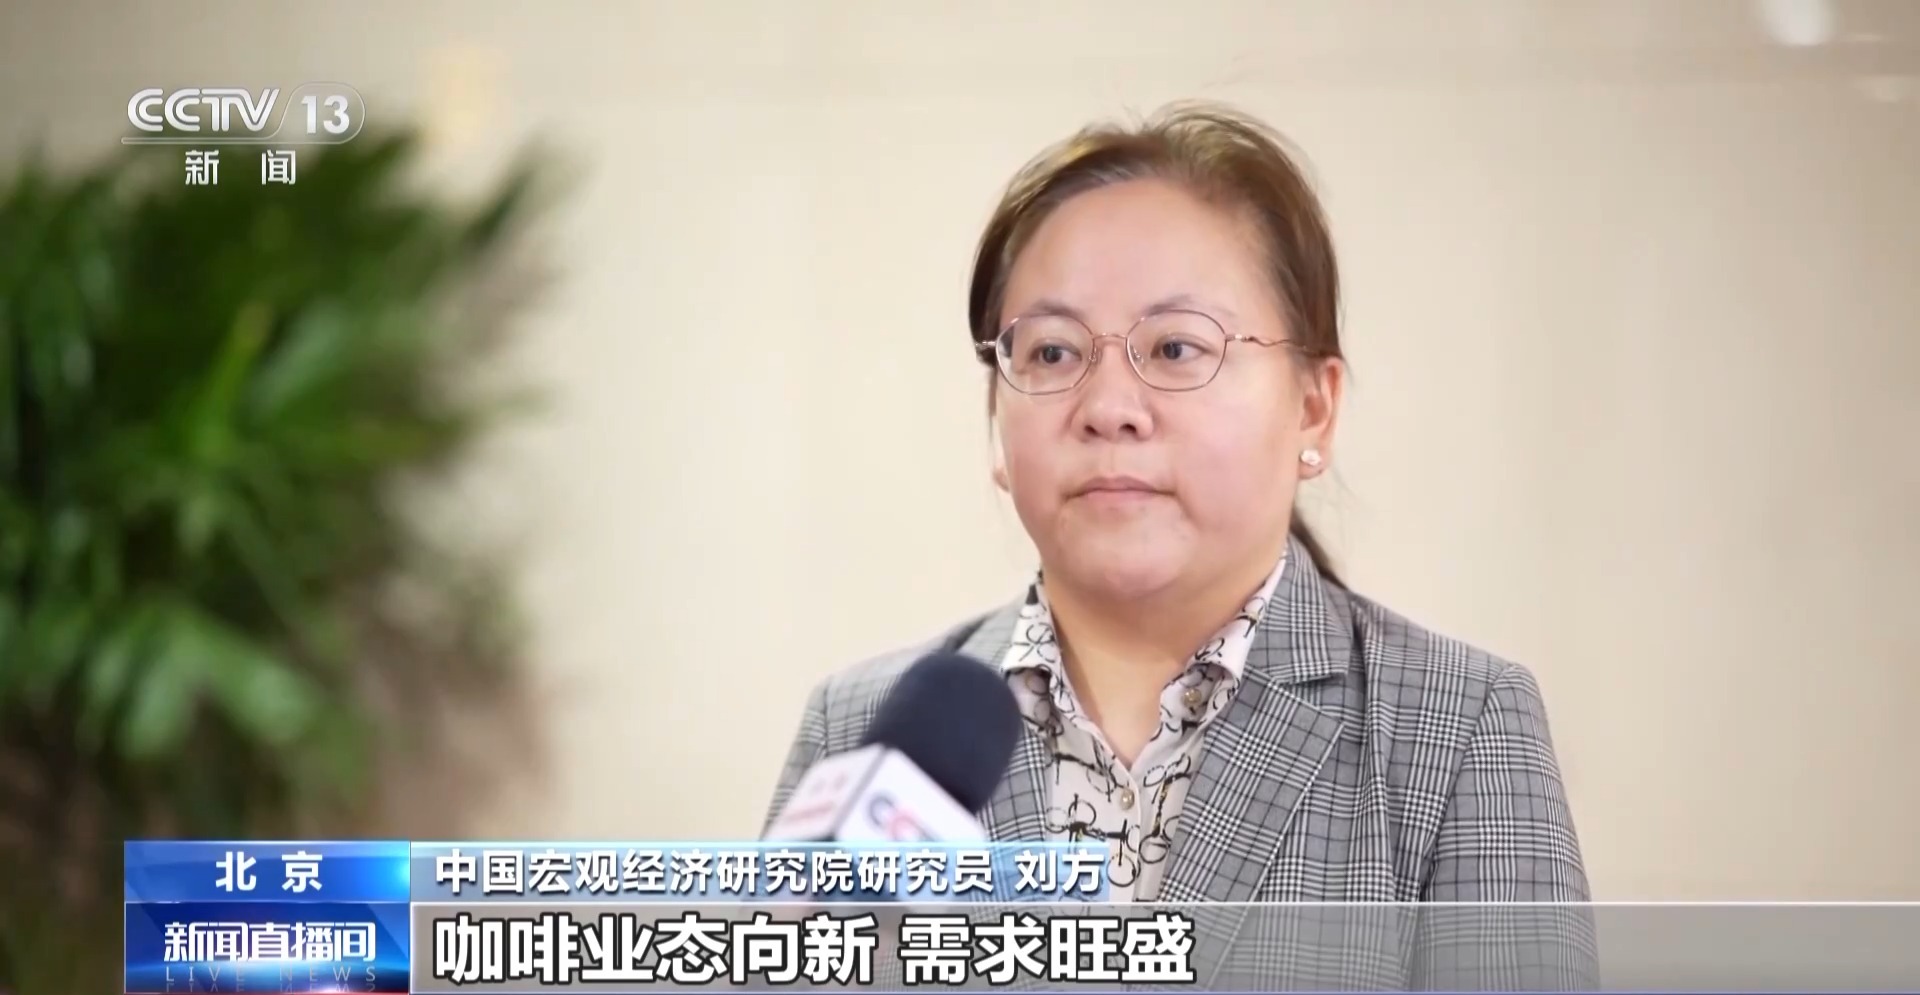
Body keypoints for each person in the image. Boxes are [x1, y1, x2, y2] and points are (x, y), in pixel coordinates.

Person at [763, 102, 1597, 989]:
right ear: (997, 420)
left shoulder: (1456, 729)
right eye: (1052, 353)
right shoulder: (860, 729)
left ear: (1314, 408)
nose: (1108, 407)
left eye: (1174, 347)